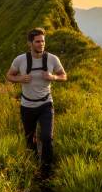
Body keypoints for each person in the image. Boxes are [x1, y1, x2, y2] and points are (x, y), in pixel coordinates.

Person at [6, 27, 67, 179]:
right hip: (27, 106)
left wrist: (53, 77)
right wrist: (19, 79)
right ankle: (33, 167)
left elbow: (64, 76)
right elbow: (9, 75)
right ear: (30, 43)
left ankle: (47, 172)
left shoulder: (52, 59)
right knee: (29, 139)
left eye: (43, 41)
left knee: (47, 137)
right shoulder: (20, 60)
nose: (41, 44)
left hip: (46, 104)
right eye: (37, 41)